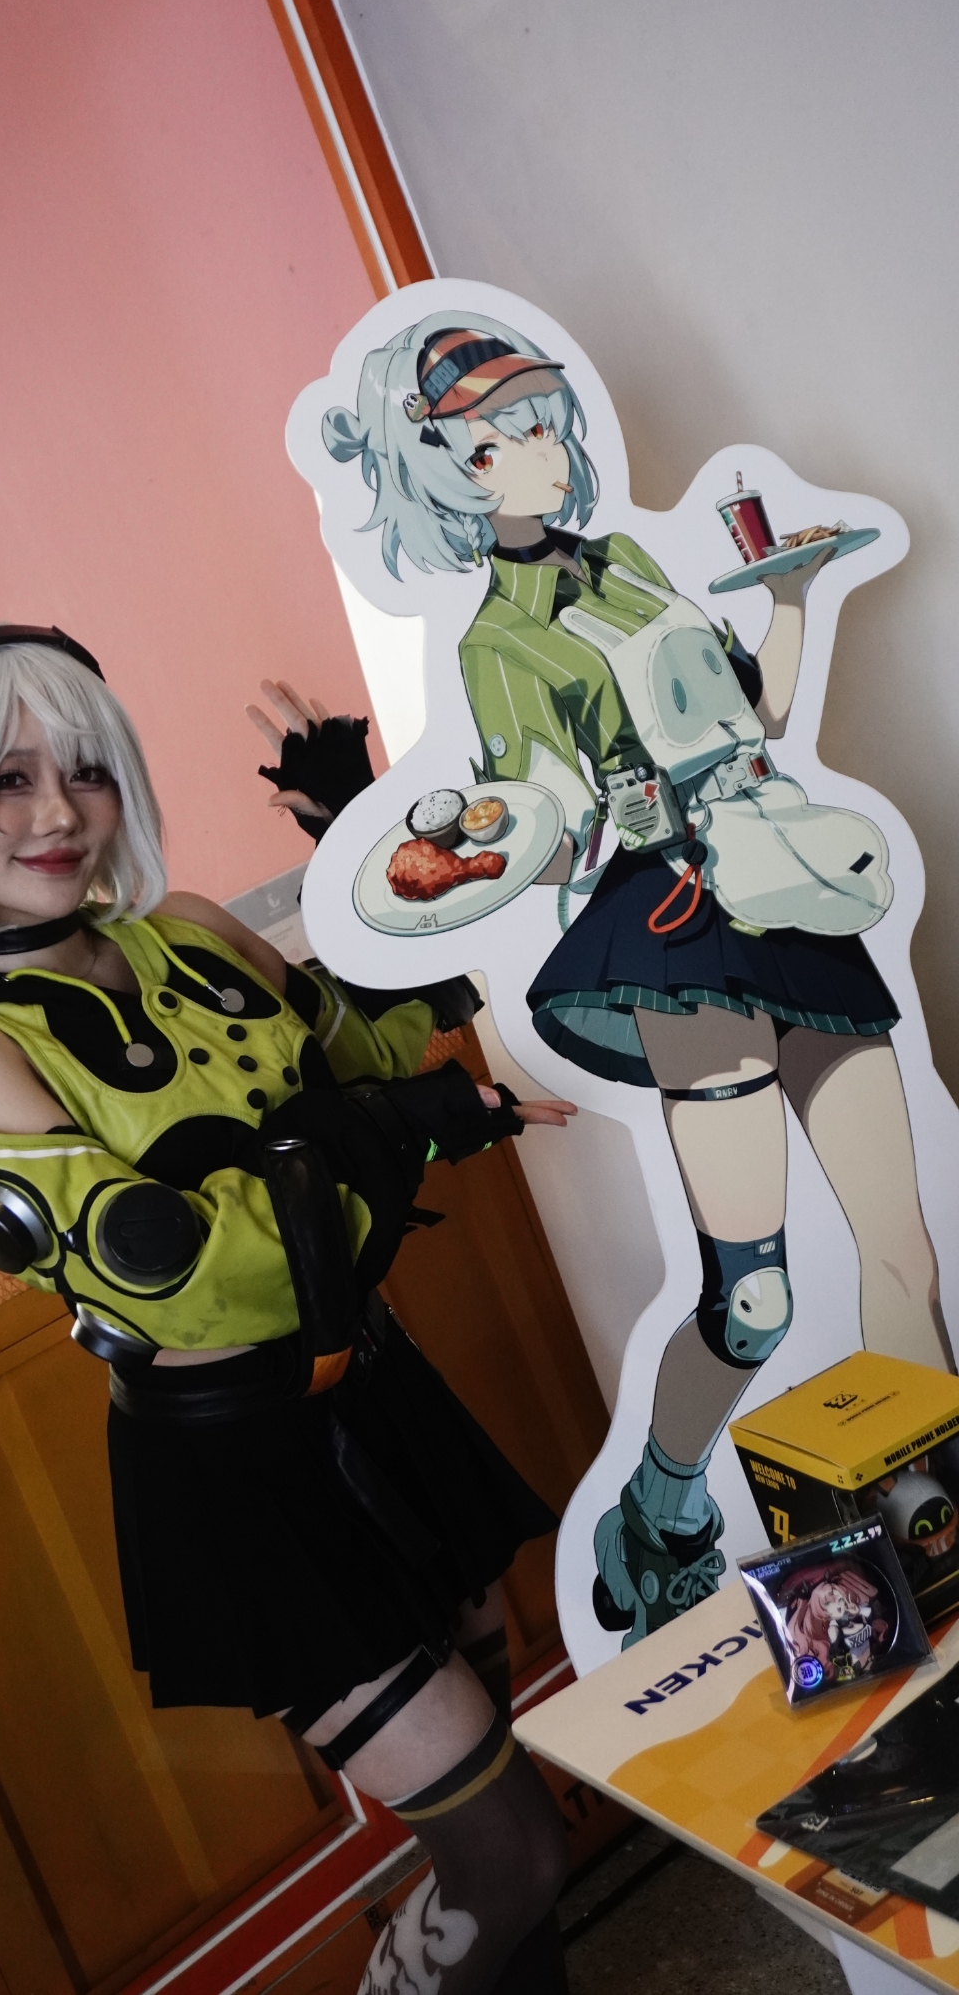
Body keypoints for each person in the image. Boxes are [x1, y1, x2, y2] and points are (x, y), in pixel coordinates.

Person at [0, 622, 578, 1995]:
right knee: (508, 1850)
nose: (58, 813)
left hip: (381, 1395)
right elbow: (199, 1276)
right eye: (6, 780)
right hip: (239, 1478)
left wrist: (365, 843)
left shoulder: (187, 931)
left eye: (84, 769)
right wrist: (387, 1130)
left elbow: (384, 1036)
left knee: (510, 1818)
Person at [322, 309, 951, 1648]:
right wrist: (528, 834)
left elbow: (751, 720)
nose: (543, 450)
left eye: (541, 421)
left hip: (784, 887)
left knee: (905, 1248)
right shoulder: (498, 641)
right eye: (502, 438)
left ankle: (933, 1532)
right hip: (676, 931)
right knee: (757, 1295)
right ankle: (661, 1510)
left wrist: (792, 597)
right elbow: (536, 826)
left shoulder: (630, 566)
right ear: (455, 473)